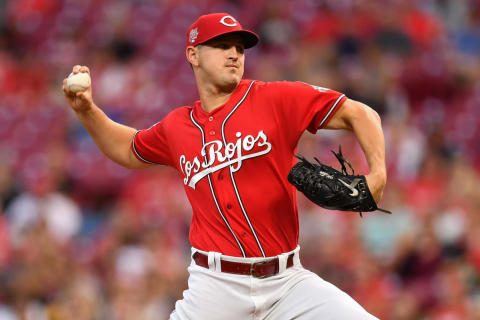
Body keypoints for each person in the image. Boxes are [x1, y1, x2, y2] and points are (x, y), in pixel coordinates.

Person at [63, 12, 386, 320]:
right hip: (216, 287)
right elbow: (127, 149)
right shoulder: (177, 127)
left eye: (239, 48)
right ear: (193, 54)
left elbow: (360, 113)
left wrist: (378, 173)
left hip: (287, 281)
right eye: (221, 46)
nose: (234, 54)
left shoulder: (275, 98)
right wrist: (87, 111)